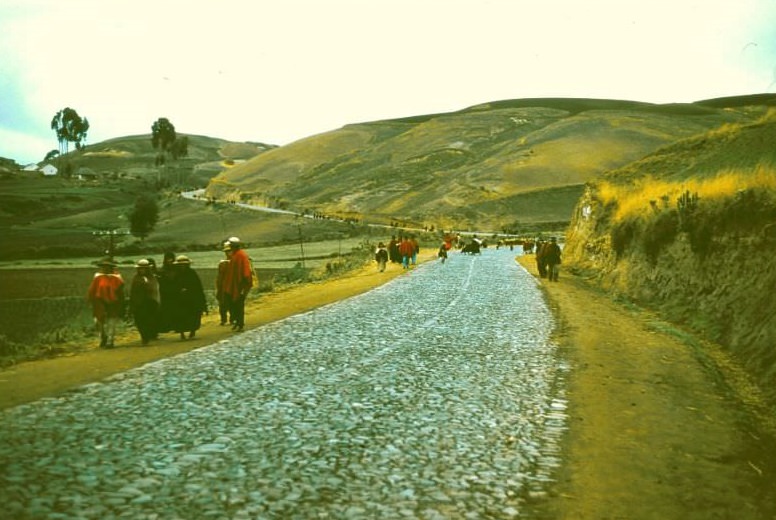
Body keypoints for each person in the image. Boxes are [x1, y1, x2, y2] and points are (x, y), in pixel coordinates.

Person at [86, 257, 125, 348]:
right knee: (98, 321)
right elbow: (92, 290)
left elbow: (120, 292)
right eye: (103, 266)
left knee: (111, 321)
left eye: (107, 266)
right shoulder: (98, 277)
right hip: (99, 302)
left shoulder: (117, 278)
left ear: (111, 267)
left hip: (113, 302)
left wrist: (121, 304)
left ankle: (110, 341)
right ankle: (103, 337)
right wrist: (91, 300)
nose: (105, 268)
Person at [169, 255, 207, 339]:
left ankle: (192, 331)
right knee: (180, 317)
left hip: (191, 299)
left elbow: (197, 287)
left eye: (184, 265)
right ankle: (182, 333)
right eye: (180, 265)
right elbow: (172, 286)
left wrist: (189, 291)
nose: (182, 266)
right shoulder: (176, 274)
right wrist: (179, 290)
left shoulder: (192, 273)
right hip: (180, 300)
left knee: (193, 316)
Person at [223, 236, 253, 332]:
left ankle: (240, 323)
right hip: (234, 286)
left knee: (239, 305)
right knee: (234, 304)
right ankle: (237, 322)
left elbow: (246, 272)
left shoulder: (241, 255)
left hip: (240, 286)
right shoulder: (235, 255)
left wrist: (243, 287)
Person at [129, 258, 160, 345]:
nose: (142, 270)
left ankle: (147, 336)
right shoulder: (136, 278)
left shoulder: (152, 278)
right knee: (139, 321)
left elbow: (154, 290)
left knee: (148, 320)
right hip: (138, 303)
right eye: (140, 269)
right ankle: (144, 336)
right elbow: (133, 291)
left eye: (144, 269)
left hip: (149, 303)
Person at [156, 251, 177, 333]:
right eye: (168, 259)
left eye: (171, 259)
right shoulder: (162, 270)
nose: (170, 260)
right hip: (165, 293)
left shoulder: (177, 269)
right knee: (166, 310)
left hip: (175, 292)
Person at [216, 241, 233, 326]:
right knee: (222, 304)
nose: (228, 253)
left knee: (232, 304)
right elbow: (220, 276)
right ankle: (223, 319)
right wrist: (219, 287)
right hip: (223, 286)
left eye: (229, 251)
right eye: (226, 251)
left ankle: (233, 319)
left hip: (233, 286)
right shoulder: (223, 263)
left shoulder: (236, 261)